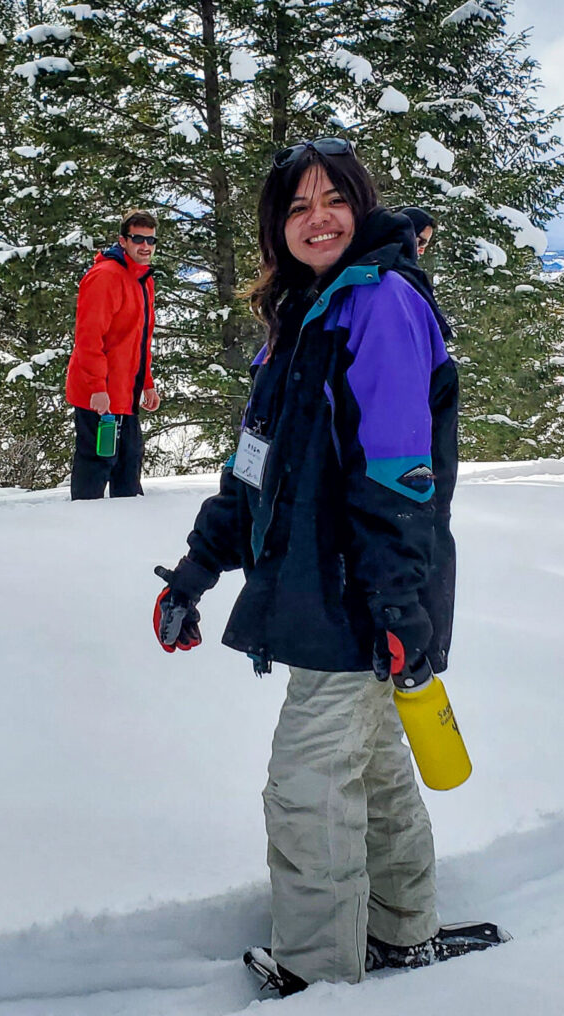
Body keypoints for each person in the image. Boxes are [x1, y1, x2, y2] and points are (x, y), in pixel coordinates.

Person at [150, 138, 491, 995]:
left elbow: (399, 476)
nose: (318, 218)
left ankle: (317, 973)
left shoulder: (378, 303)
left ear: (361, 204)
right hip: (328, 587)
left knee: (306, 786)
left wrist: (397, 605)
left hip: (361, 593)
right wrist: (196, 571)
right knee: (371, 769)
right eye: (298, 206)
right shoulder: (304, 314)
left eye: (333, 198)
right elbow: (253, 471)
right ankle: (404, 933)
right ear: (278, 227)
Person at [65, 210, 160, 500]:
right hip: (100, 395)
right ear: (123, 240)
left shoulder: (142, 279)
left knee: (128, 466)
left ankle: (127, 535)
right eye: (138, 239)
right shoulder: (105, 277)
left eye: (151, 240)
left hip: (126, 393)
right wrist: (97, 388)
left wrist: (147, 382)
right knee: (96, 467)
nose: (145, 246)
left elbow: (139, 339)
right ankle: (84, 533)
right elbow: (88, 338)